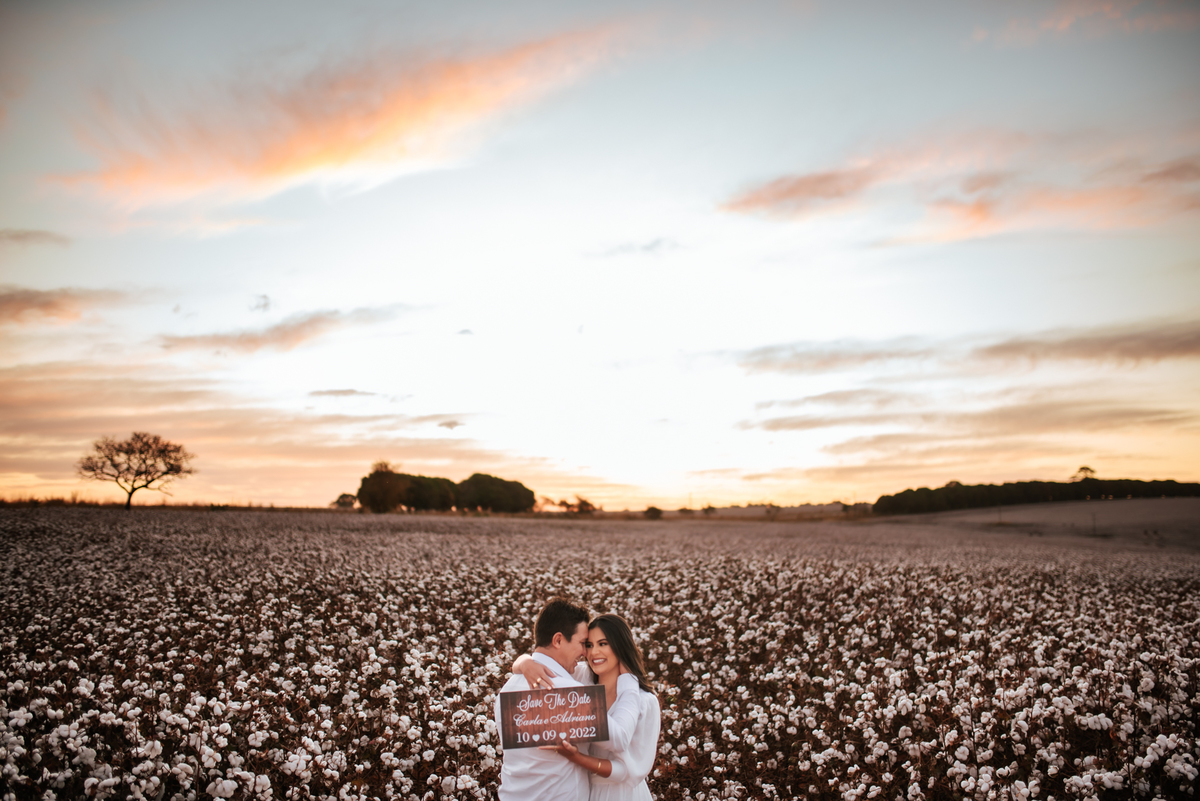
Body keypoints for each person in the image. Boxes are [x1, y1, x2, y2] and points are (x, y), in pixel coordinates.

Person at [513, 613, 661, 801]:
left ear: (620, 646)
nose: (592, 653)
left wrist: (578, 759)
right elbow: (543, 660)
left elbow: (631, 771)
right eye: (588, 645)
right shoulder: (580, 679)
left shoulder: (645, 701)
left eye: (603, 644)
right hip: (582, 791)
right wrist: (525, 663)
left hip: (620, 794)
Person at [494, 597, 592, 801]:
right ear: (558, 640)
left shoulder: (507, 689)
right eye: (582, 643)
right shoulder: (570, 695)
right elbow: (618, 740)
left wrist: (523, 662)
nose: (585, 652)